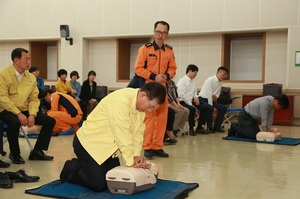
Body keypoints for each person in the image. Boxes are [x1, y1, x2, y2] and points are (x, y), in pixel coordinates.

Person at [59, 82, 166, 192]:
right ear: (143, 95)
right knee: (99, 184)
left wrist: (136, 156)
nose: (150, 110)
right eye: (150, 106)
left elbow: (138, 133)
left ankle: (83, 164)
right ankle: (72, 168)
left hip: (108, 149)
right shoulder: (121, 101)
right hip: (88, 145)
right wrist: (131, 161)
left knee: (113, 179)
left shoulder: (140, 108)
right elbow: (122, 133)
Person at [0, 48, 56, 164]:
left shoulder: (30, 77)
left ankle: (37, 151)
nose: (29, 63)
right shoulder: (3, 75)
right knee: (14, 122)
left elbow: (34, 98)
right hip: (5, 109)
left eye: (29, 59)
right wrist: (18, 114)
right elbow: (3, 98)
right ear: (16, 60)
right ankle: (15, 154)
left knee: (49, 121)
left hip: (24, 109)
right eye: (26, 59)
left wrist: (32, 114)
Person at [134, 21, 177, 158]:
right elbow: (138, 69)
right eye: (158, 32)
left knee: (162, 117)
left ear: (167, 34)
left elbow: (173, 68)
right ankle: (147, 146)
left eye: (164, 33)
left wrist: (167, 76)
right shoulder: (145, 49)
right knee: (149, 118)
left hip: (163, 87)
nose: (160, 35)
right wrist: (154, 76)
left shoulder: (169, 50)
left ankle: (158, 147)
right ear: (154, 31)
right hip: (149, 87)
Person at [197, 66, 229, 133]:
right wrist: (212, 106)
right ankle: (209, 127)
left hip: (211, 100)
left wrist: (215, 97)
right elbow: (209, 94)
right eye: (224, 74)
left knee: (223, 108)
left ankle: (217, 126)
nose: (225, 76)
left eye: (226, 75)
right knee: (209, 107)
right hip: (203, 99)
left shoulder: (220, 82)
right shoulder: (210, 80)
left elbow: (217, 94)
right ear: (218, 72)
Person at [177, 64, 199, 136]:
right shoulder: (182, 81)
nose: (196, 74)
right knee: (192, 109)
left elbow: (194, 91)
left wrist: (196, 97)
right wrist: (190, 104)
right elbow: (182, 95)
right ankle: (191, 128)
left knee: (206, 107)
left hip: (190, 100)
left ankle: (200, 127)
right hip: (182, 101)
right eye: (195, 72)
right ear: (189, 71)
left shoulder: (193, 81)